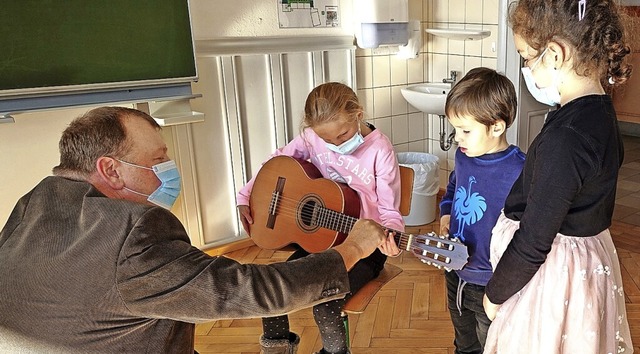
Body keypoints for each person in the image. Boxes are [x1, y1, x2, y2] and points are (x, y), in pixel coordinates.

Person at [0, 106, 387, 354]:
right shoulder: (132, 230)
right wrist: (352, 249)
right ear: (111, 170)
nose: (169, 169)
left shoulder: (37, 200)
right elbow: (247, 291)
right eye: (158, 160)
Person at [482, 1, 635, 353]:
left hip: (552, 279)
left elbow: (535, 240)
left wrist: (495, 293)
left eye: (525, 57)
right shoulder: (599, 111)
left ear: (554, 54)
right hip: (582, 263)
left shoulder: (567, 139)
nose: (525, 69)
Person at [237, 82, 404, 354]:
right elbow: (275, 163)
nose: (337, 144)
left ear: (358, 114)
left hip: (365, 249)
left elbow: (388, 211)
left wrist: (390, 236)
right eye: (328, 141)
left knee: (326, 307)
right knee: (270, 289)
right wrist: (246, 196)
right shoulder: (309, 138)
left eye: (343, 134)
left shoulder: (380, 150)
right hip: (320, 241)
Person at [433, 67, 525, 354]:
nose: (457, 138)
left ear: (497, 127)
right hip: (455, 273)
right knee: (464, 342)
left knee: (492, 346)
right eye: (455, 129)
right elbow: (452, 188)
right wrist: (446, 212)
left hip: (491, 283)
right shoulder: (464, 157)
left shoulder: (521, 170)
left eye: (466, 130)